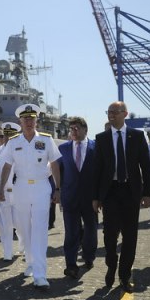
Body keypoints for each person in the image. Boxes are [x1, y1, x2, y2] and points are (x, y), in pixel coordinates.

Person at [0, 104, 61, 289]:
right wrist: (1, 188)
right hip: (21, 187)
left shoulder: (46, 140)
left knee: (40, 230)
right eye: (25, 119)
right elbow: (7, 166)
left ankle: (40, 275)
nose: (28, 121)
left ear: (36, 120)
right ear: (20, 121)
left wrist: (58, 188)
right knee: (24, 229)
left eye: (31, 118)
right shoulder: (13, 142)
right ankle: (30, 262)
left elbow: (55, 164)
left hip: (41, 187)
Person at [92, 101, 150, 292]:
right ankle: (111, 265)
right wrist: (96, 197)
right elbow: (97, 169)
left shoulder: (137, 136)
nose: (111, 114)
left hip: (130, 191)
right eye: (109, 112)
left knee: (130, 235)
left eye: (115, 112)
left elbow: (146, 166)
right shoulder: (101, 138)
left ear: (125, 113)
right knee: (110, 234)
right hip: (110, 192)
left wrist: (148, 193)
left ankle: (124, 275)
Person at [57, 116, 97, 280]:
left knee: (90, 231)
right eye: (71, 129)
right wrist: (57, 191)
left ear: (85, 130)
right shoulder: (63, 148)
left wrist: (100, 196)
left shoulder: (96, 147)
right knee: (71, 232)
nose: (73, 131)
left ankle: (88, 256)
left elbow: (101, 173)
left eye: (76, 128)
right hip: (70, 197)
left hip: (91, 198)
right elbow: (57, 171)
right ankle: (71, 265)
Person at [0, 122, 21, 261]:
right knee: (5, 225)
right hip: (2, 192)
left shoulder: (22, 151)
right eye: (6, 135)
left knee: (21, 223)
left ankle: (23, 246)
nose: (8, 138)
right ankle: (7, 253)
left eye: (11, 135)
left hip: (19, 192)